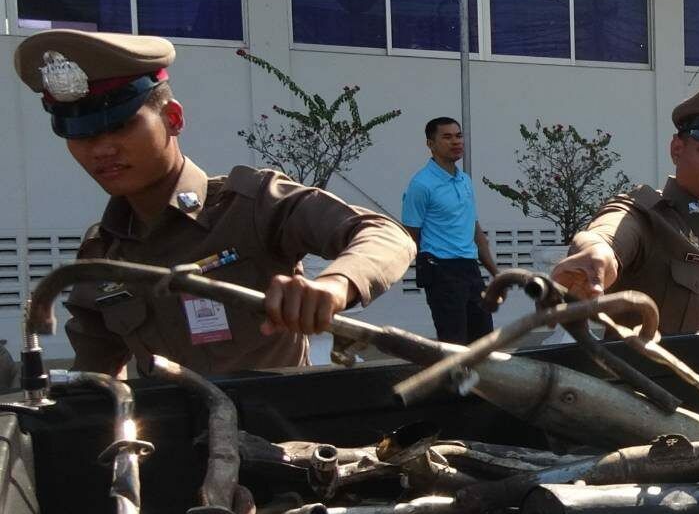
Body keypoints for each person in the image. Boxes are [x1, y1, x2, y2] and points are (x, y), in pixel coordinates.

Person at [14, 29, 415, 375]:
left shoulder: (252, 205)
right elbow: (96, 378)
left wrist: (333, 285)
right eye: (81, 135)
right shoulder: (102, 256)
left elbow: (384, 235)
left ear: (173, 118)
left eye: (119, 125)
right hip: (174, 453)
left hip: (284, 448)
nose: (101, 149)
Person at [550, 75, 699, 334]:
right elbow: (609, 232)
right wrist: (595, 255)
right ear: (677, 149)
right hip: (645, 375)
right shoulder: (645, 215)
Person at [401, 117, 501, 344]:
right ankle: (451, 380)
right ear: (431, 144)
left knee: (483, 341)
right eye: (447, 137)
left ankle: (479, 381)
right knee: (453, 343)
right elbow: (409, 236)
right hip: (441, 270)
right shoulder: (421, 184)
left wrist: (496, 273)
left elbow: (474, 229)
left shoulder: (464, 180)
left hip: (470, 268)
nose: (456, 142)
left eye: (458, 136)